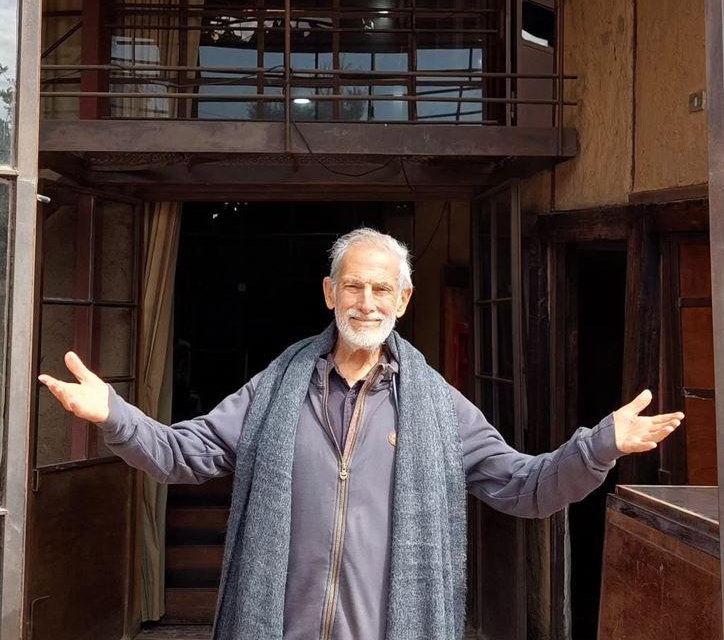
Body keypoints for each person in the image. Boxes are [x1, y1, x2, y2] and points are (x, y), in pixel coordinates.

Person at [39, 228, 684, 640]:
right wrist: (115, 414)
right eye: (353, 285)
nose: (366, 301)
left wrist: (600, 444)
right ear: (329, 293)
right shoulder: (276, 387)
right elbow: (188, 452)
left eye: (382, 288)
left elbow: (525, 486)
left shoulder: (438, 407)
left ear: (403, 300)